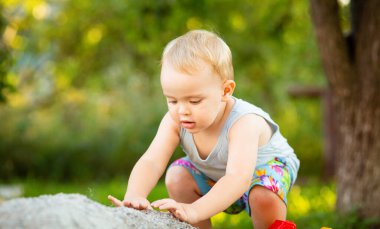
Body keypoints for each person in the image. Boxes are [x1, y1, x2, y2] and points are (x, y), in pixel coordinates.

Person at [108, 30, 300, 229]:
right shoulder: (174, 121)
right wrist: (134, 195)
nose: (182, 110)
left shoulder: (244, 122)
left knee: (262, 195)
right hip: (216, 179)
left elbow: (237, 178)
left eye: (194, 101)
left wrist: (195, 209)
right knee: (177, 176)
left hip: (261, 175)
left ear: (225, 91)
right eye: (172, 100)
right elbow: (152, 160)